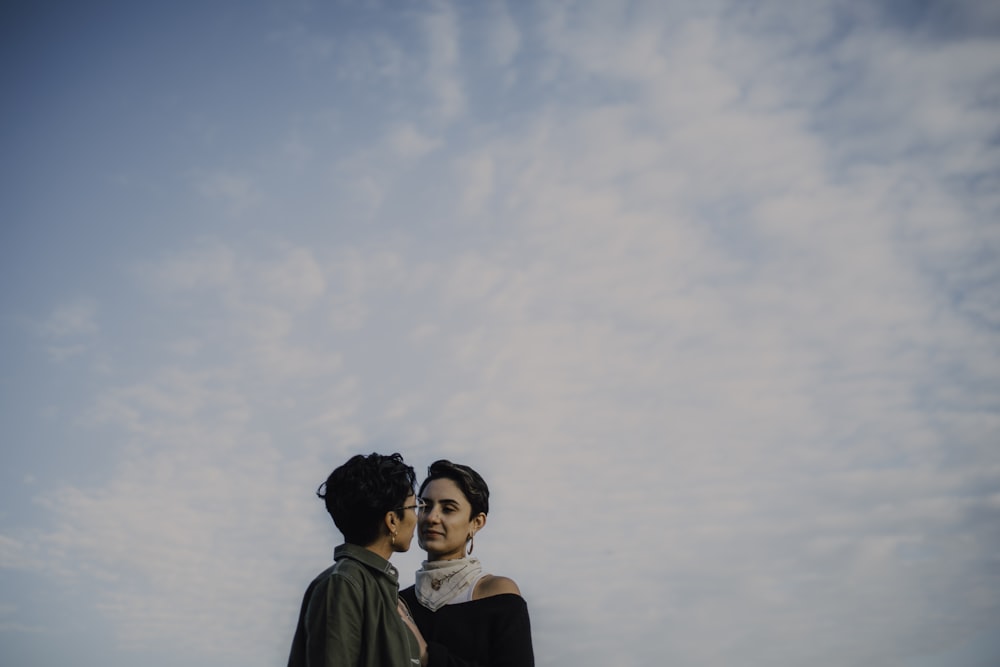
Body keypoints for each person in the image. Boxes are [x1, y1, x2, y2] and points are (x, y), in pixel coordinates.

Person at [288, 452, 426, 667]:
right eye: (413, 508)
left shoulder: (379, 587)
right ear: (391, 520)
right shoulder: (344, 583)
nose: (417, 518)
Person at [398, 460, 534, 667]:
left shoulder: (499, 593)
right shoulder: (399, 602)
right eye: (424, 506)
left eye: (448, 509)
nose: (432, 517)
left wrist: (428, 657)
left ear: (476, 522)